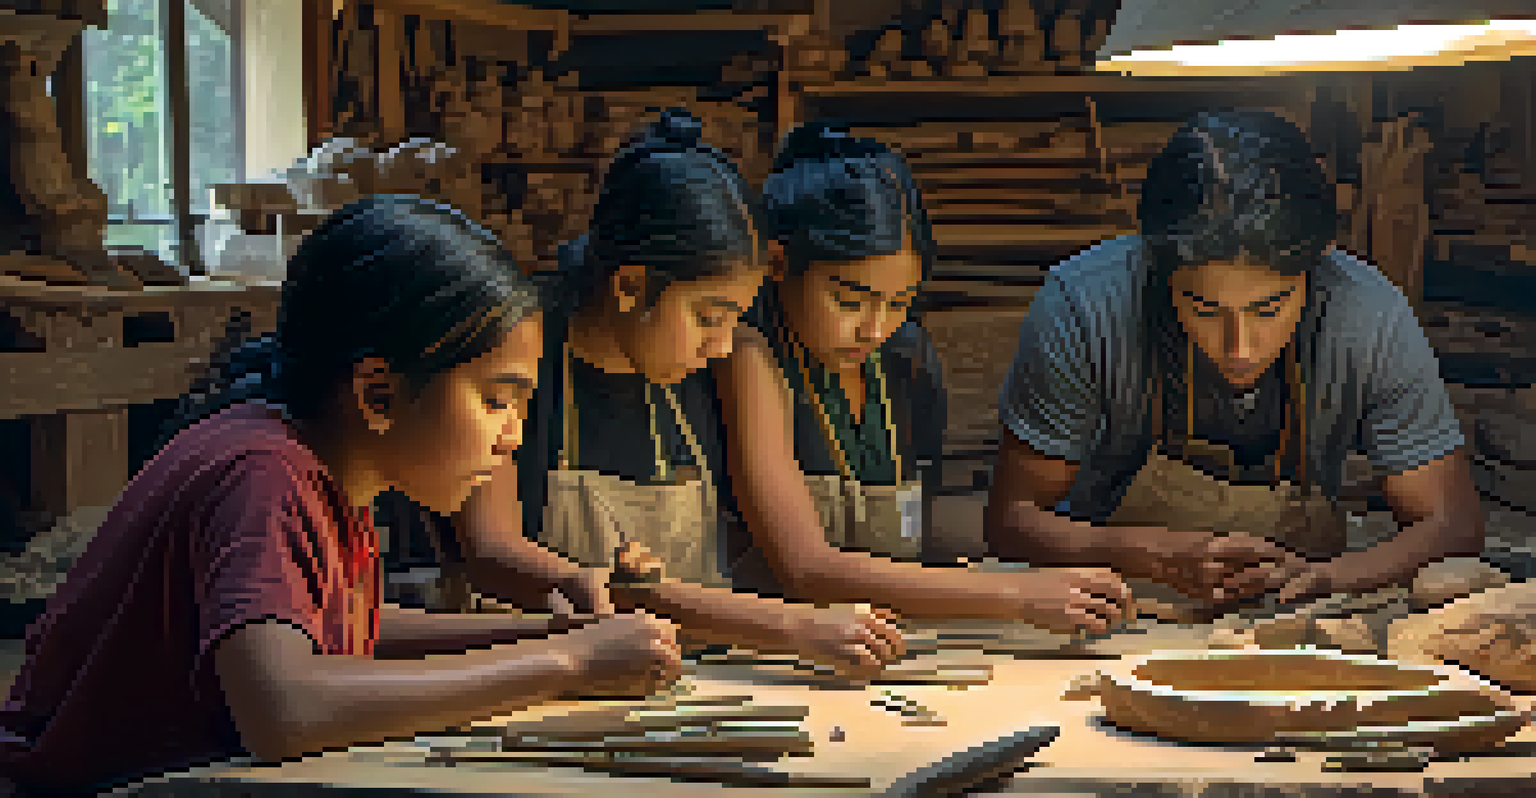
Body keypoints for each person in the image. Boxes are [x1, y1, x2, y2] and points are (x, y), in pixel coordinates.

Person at [0, 196, 683, 796]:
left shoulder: (321, 466)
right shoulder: (264, 476)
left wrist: (548, 633)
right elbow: (286, 705)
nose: (511, 438)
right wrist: (567, 663)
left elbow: (338, 629)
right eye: (497, 400)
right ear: (378, 394)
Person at [437, 110, 908, 678]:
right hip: (534, 681)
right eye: (709, 316)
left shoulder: (721, 367)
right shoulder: (519, 352)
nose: (723, 344)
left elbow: (784, 559)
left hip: (699, 676)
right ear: (631, 286)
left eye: (735, 318)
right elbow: (493, 553)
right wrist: (794, 625)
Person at [984, 109, 1484, 612]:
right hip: (1117, 602)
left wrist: (1331, 578)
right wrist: (1148, 555)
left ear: (1319, 264)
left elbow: (1453, 524)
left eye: (1269, 308)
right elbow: (1011, 522)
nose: (1239, 347)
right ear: (1155, 266)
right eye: (1203, 308)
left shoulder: (1368, 315)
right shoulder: (1085, 307)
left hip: (1303, 601)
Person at [712, 122, 1130, 633]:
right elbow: (806, 569)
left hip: (887, 644)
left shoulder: (906, 357)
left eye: (899, 302)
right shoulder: (747, 350)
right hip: (769, 654)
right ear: (777, 262)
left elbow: (919, 532)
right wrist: (1017, 593)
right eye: (848, 300)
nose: (874, 327)